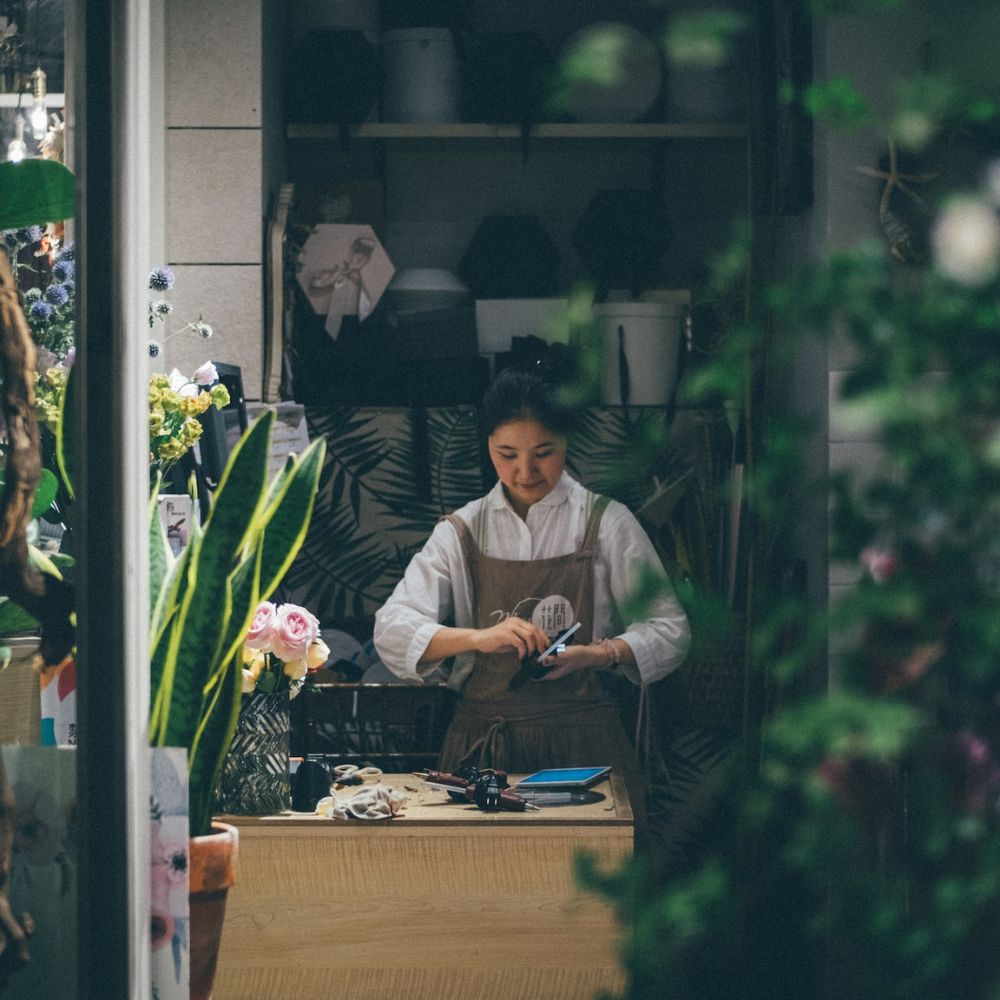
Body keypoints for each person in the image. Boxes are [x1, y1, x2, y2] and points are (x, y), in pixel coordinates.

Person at [373, 369, 690, 795]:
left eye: (544, 452)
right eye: (507, 454)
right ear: (487, 445)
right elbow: (391, 628)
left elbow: (671, 631)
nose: (525, 472)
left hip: (586, 748)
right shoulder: (463, 530)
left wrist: (596, 654)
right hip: (482, 752)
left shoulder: (605, 523)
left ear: (566, 442)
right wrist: (478, 638)